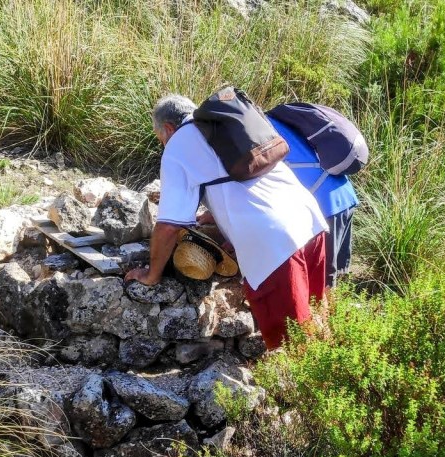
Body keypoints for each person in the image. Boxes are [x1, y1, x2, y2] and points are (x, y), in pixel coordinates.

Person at [124, 94, 328, 351]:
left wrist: (151, 275)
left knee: (292, 342)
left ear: (167, 128)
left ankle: (301, 390)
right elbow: (240, 181)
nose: (163, 143)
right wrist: (217, 215)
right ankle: (331, 383)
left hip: (276, 243)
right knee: (316, 320)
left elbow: (168, 226)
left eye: (160, 137)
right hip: (308, 220)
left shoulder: (178, 145)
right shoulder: (222, 127)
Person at [268, 115, 359, 288]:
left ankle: (329, 313)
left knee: (322, 281)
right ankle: (339, 309)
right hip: (343, 192)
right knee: (337, 273)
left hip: (324, 205)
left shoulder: (259, 136)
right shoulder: (279, 121)